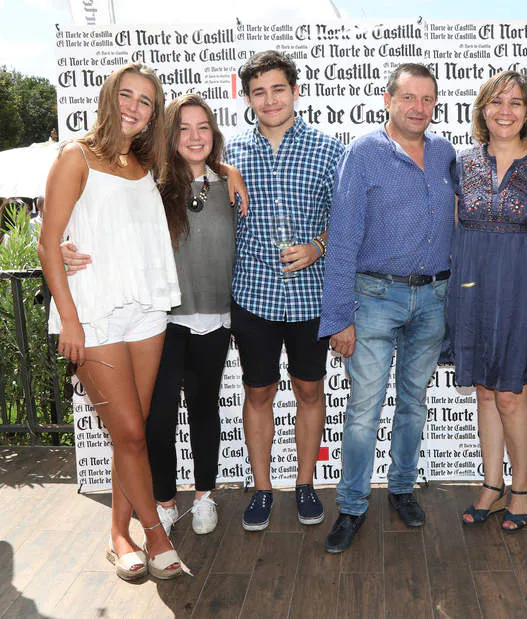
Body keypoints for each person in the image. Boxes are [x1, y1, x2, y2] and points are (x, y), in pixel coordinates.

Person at [61, 94, 249, 536]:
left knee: (205, 410)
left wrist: (230, 171)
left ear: (215, 134)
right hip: (162, 320)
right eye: (183, 128)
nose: (194, 136)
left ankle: (204, 495)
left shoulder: (228, 182)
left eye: (203, 127)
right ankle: (164, 499)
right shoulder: (150, 183)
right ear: (169, 135)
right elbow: (101, 217)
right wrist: (63, 244)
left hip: (216, 318)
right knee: (157, 417)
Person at [37, 63, 183, 581]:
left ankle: (118, 535)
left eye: (146, 101)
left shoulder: (147, 165)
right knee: (128, 431)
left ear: (152, 114)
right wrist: (69, 322)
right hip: (94, 312)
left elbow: (203, 153)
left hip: (145, 310)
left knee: (133, 434)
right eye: (127, 95)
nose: (134, 107)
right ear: (108, 96)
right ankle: (155, 532)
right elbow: (47, 243)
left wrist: (230, 173)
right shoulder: (75, 156)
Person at [319, 63, 457, 553]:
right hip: (375, 298)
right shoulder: (363, 153)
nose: (418, 108)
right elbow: (343, 238)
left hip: (434, 299)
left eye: (427, 100)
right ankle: (352, 506)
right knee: (362, 410)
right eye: (409, 98)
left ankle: (401, 488)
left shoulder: (445, 154)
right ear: (387, 99)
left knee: (414, 403)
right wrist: (339, 316)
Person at [225, 51, 345, 531]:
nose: (269, 99)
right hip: (252, 294)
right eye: (259, 91)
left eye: (278, 89)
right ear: (247, 97)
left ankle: (305, 484)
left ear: (295, 91)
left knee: (309, 390)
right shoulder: (227, 153)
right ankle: (261, 489)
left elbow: (350, 224)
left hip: (310, 298)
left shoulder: (329, 149)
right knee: (258, 394)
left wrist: (318, 246)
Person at [444, 71, 527, 532]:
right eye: (497, 102)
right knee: (484, 392)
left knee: (512, 395)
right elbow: (452, 226)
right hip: (471, 289)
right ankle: (491, 485)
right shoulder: (461, 162)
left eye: (516, 103)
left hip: (521, 291)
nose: (506, 111)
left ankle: (522, 486)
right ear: (482, 109)